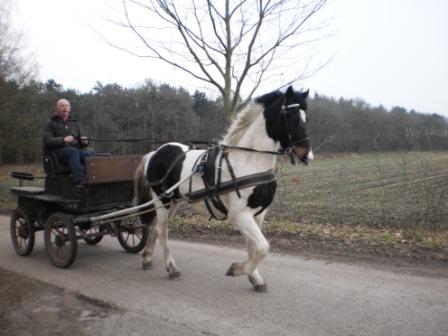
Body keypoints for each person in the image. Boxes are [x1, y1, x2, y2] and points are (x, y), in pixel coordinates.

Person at [43, 98, 93, 186]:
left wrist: (84, 142)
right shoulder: (51, 124)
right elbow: (48, 140)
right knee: (72, 152)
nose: (64, 108)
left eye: (66, 106)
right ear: (57, 109)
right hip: (58, 152)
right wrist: (63, 140)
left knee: (91, 153)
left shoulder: (75, 124)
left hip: (75, 150)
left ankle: (94, 178)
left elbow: (79, 141)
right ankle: (80, 180)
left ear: (69, 109)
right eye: (62, 106)